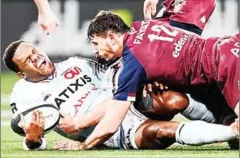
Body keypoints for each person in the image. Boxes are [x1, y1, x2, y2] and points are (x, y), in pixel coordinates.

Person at [3, 41, 238, 150]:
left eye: (34, 50)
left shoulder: (75, 63)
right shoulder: (23, 95)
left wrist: (145, 80)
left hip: (123, 106)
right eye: (29, 60)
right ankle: (232, 133)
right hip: (113, 133)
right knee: (164, 131)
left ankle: (224, 122)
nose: (37, 57)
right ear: (22, 73)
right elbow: (32, 136)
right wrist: (32, 141)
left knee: (173, 97)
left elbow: (118, 78)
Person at [75, 10, 239, 149]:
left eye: (95, 43)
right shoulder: (143, 25)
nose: (94, 50)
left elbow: (111, 124)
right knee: (233, 137)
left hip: (223, 63)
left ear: (111, 38)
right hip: (226, 44)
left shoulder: (132, 64)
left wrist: (83, 146)